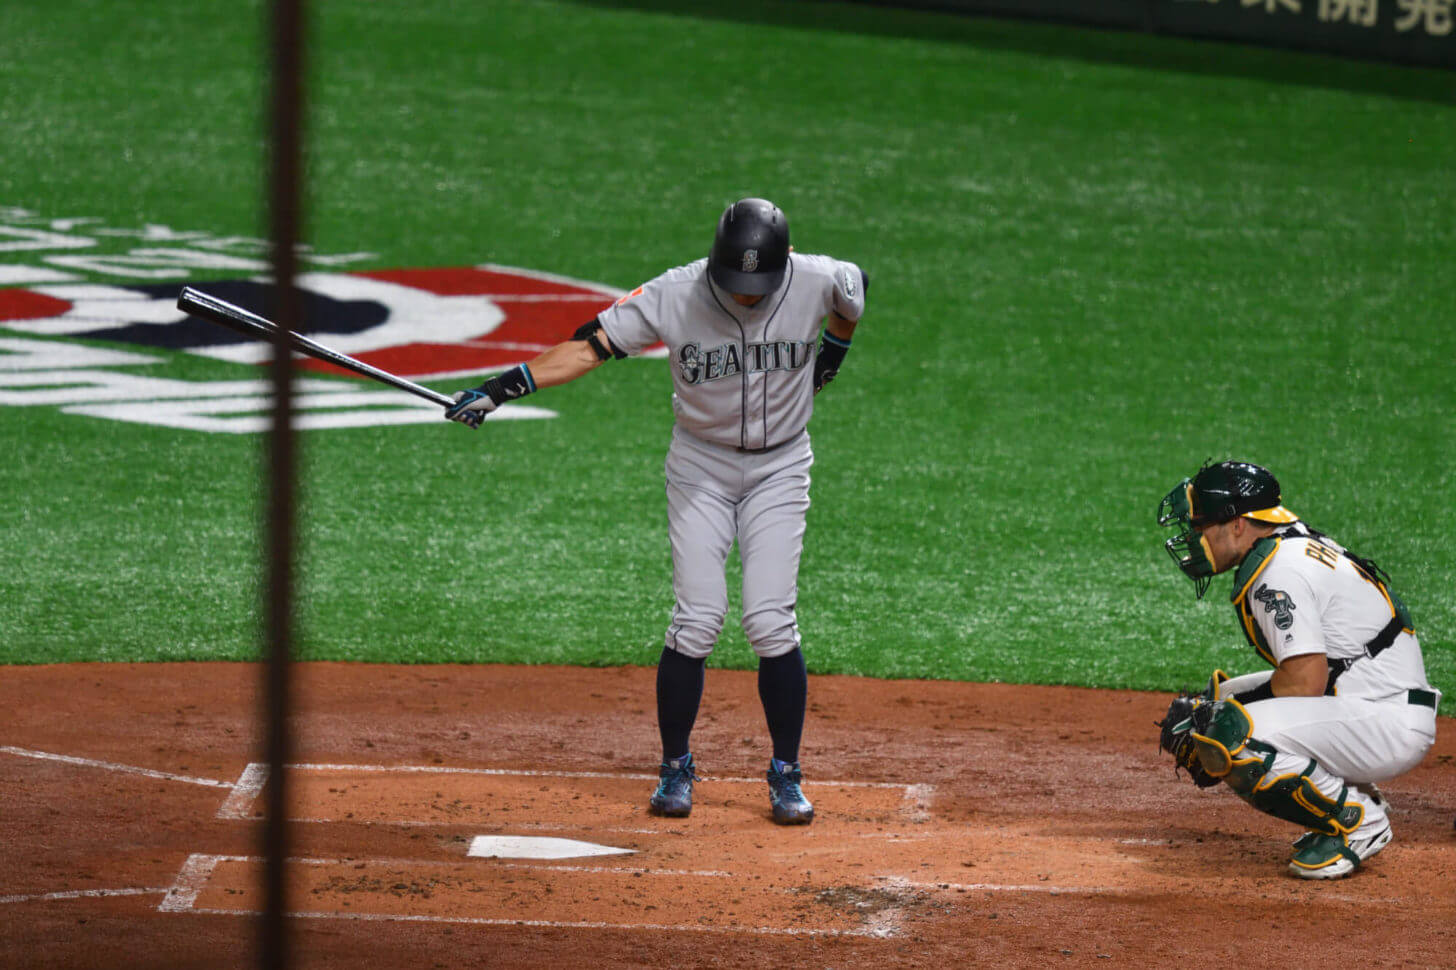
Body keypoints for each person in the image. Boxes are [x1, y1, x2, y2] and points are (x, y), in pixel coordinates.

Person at [445, 198, 866, 825]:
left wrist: (831, 354)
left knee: (770, 622)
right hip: (701, 466)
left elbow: (852, 301)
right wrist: (503, 388)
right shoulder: (674, 295)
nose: (745, 296)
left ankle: (785, 773)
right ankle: (675, 766)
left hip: (780, 467)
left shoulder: (819, 278)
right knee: (697, 619)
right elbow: (588, 347)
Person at [1156, 460, 1439, 879]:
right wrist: (1222, 704)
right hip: (1371, 699)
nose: (1194, 538)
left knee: (1232, 732)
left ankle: (1358, 822)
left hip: (1385, 719)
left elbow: (1306, 681)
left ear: (1237, 524)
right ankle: (1356, 797)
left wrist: (1220, 718)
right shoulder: (1289, 544)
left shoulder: (1280, 571)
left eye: (1201, 527)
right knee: (1221, 706)